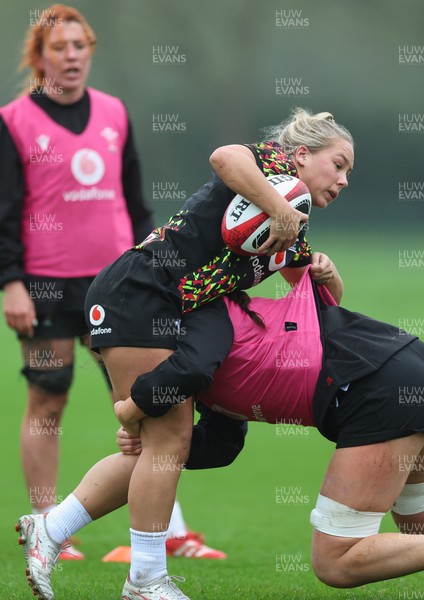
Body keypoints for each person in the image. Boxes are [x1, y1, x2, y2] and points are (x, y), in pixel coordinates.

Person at [16, 108, 354, 599]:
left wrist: (325, 271)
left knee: (203, 445)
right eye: (338, 165)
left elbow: (322, 302)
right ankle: (146, 578)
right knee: (167, 440)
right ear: (301, 156)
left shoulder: (292, 228)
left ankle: (53, 527)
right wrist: (276, 206)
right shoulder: (270, 171)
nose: (343, 180)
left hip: (181, 311)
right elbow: (224, 156)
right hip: (137, 294)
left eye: (349, 173)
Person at [17, 262, 424, 598]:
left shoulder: (197, 322)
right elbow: (222, 445)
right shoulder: (202, 360)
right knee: (415, 534)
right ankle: (53, 528)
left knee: (336, 560)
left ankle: (61, 533)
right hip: (399, 368)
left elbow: (192, 368)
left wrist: (135, 407)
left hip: (378, 387)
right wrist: (158, 445)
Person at [0, 3, 225, 564]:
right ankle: (54, 530)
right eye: (60, 48)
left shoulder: (115, 113)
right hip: (47, 284)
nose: (72, 56)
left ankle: (169, 533)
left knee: (147, 406)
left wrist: (162, 272)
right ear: (40, 57)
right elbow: (4, 211)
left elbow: (137, 204)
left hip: (121, 285)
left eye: (80, 46)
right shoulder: (13, 121)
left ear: (90, 52)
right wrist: (10, 283)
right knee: (47, 400)